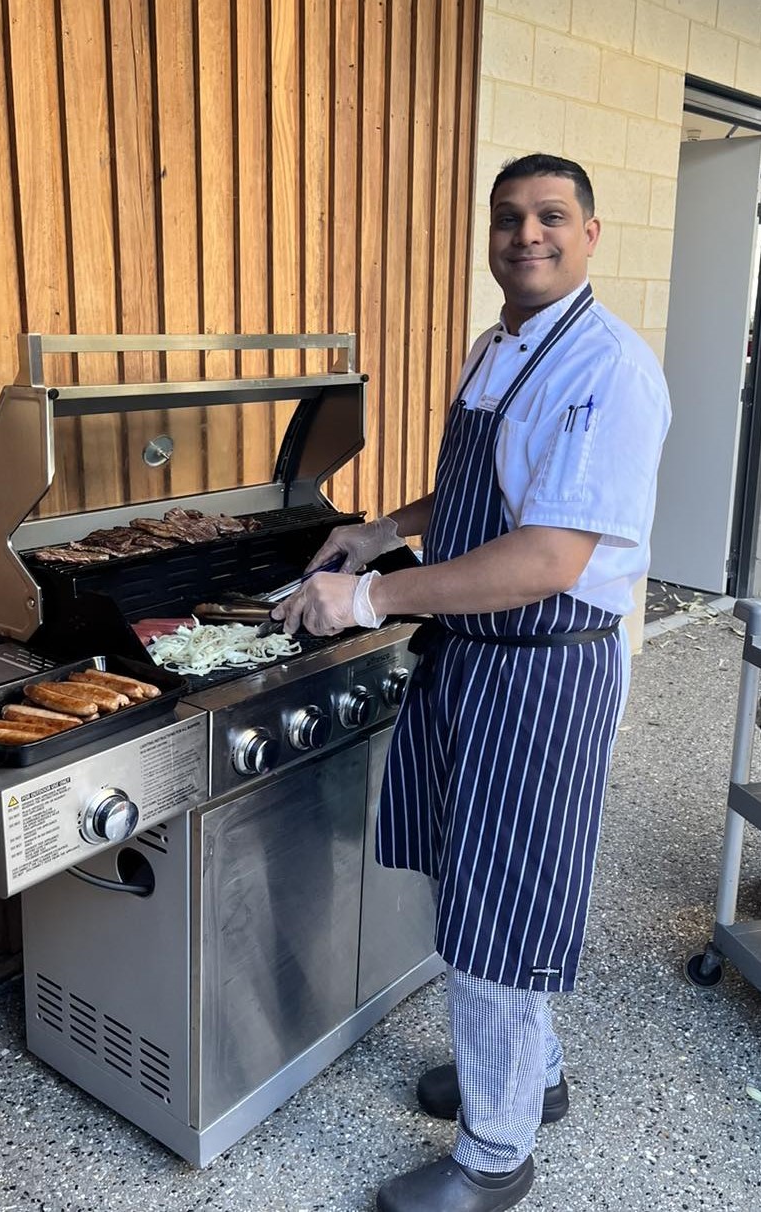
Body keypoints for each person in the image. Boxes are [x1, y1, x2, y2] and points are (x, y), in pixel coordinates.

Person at [270, 152, 671, 1212]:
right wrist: (381, 530)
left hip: (545, 672)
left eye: (550, 217)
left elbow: (547, 555)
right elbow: (478, 484)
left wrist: (367, 600)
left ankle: (495, 1159)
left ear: (591, 234)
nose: (525, 235)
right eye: (508, 219)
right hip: (475, 661)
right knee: (472, 881)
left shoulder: (609, 370)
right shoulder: (501, 347)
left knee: (503, 906)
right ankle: (529, 1080)